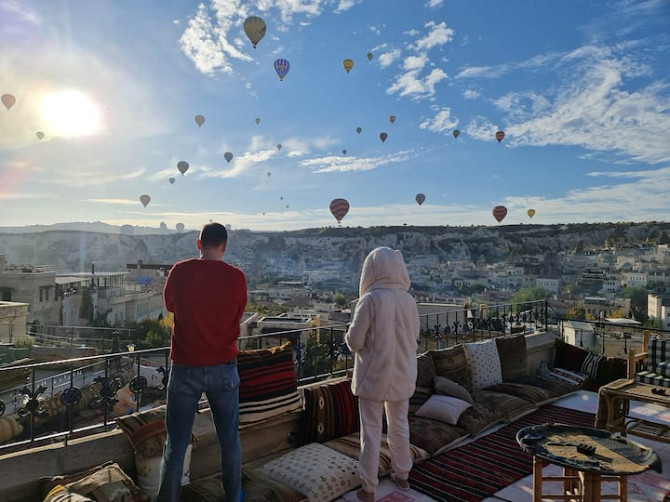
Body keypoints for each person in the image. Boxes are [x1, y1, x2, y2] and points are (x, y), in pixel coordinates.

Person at [157, 223, 247, 502]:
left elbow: (171, 306)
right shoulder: (236, 277)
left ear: (199, 243)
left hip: (185, 367)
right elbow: (238, 312)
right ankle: (233, 496)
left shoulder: (181, 271)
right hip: (224, 367)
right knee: (229, 441)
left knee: (176, 445)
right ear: (225, 246)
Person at [345, 246, 419, 502]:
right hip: (403, 374)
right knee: (400, 426)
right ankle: (403, 475)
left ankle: (368, 488)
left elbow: (354, 342)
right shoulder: (409, 301)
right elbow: (415, 338)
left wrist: (347, 334)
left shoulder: (370, 299)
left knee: (371, 431)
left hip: (374, 376)